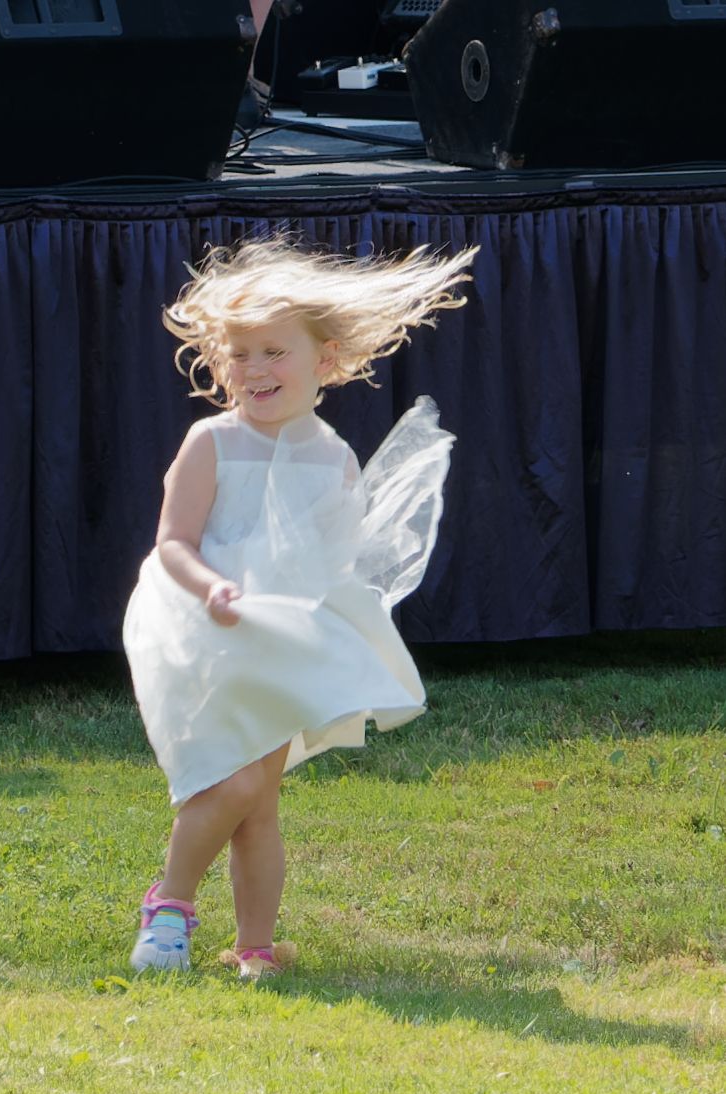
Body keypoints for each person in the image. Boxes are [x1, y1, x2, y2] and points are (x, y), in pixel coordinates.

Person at [123, 236, 477, 979]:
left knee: (260, 802)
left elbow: (328, 565)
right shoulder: (211, 443)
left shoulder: (333, 458)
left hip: (280, 641)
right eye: (240, 355)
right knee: (235, 781)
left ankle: (255, 946)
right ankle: (170, 905)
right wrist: (212, 588)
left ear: (325, 358)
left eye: (274, 352)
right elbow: (173, 544)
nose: (255, 370)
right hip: (202, 629)